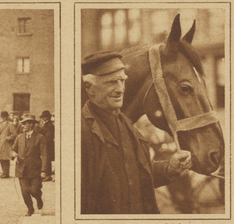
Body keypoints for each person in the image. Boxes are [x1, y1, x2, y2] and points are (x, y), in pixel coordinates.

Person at [81, 50, 192, 214]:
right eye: (111, 82)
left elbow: (136, 176)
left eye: (122, 81)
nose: (120, 89)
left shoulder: (126, 124)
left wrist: (169, 167)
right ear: (89, 87)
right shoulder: (80, 132)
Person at [12, 114, 48, 216]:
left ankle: (39, 198)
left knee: (34, 190)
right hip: (21, 169)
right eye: (22, 124)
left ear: (31, 125)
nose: (22, 126)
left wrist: (44, 170)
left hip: (35, 169)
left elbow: (45, 154)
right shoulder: (19, 137)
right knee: (24, 191)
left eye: (24, 124)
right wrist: (14, 154)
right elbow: (13, 149)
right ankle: (30, 208)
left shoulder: (40, 137)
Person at [0, 111, 17, 178]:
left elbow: (14, 134)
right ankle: (3, 172)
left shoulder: (10, 124)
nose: (3, 118)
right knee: (1, 158)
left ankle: (6, 173)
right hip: (0, 144)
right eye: (2, 116)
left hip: (6, 144)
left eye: (4, 116)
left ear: (7, 117)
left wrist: (8, 138)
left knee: (6, 159)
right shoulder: (0, 124)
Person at [40, 110, 55, 181]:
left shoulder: (49, 125)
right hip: (46, 144)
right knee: (46, 159)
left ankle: (48, 175)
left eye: (45, 117)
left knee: (48, 159)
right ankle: (47, 174)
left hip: (48, 145)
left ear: (48, 117)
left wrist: (44, 142)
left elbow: (48, 136)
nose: (43, 118)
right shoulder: (46, 124)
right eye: (43, 117)